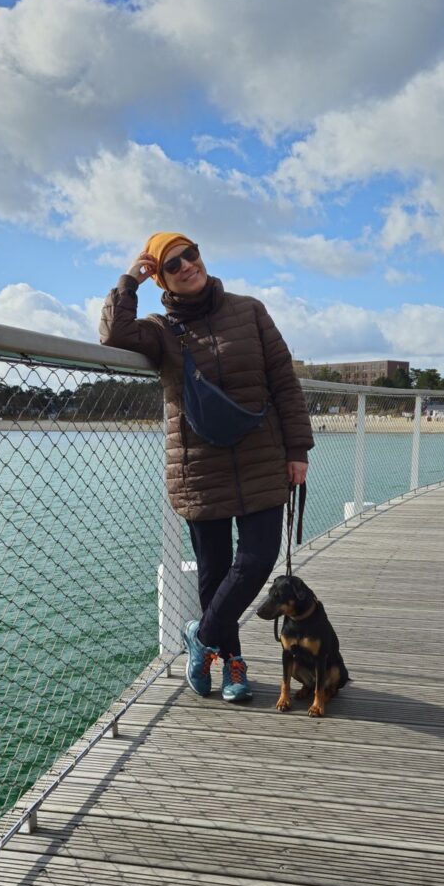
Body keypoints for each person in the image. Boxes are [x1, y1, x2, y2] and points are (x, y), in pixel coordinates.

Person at [100, 232, 312, 702]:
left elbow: (284, 381)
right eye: (171, 264)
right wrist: (130, 280)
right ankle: (233, 667)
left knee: (258, 558)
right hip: (199, 467)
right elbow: (114, 334)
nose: (186, 266)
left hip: (262, 456)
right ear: (161, 275)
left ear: (201, 255)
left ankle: (201, 637)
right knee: (214, 572)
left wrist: (297, 449)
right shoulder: (158, 328)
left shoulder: (250, 310)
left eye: (189, 254)